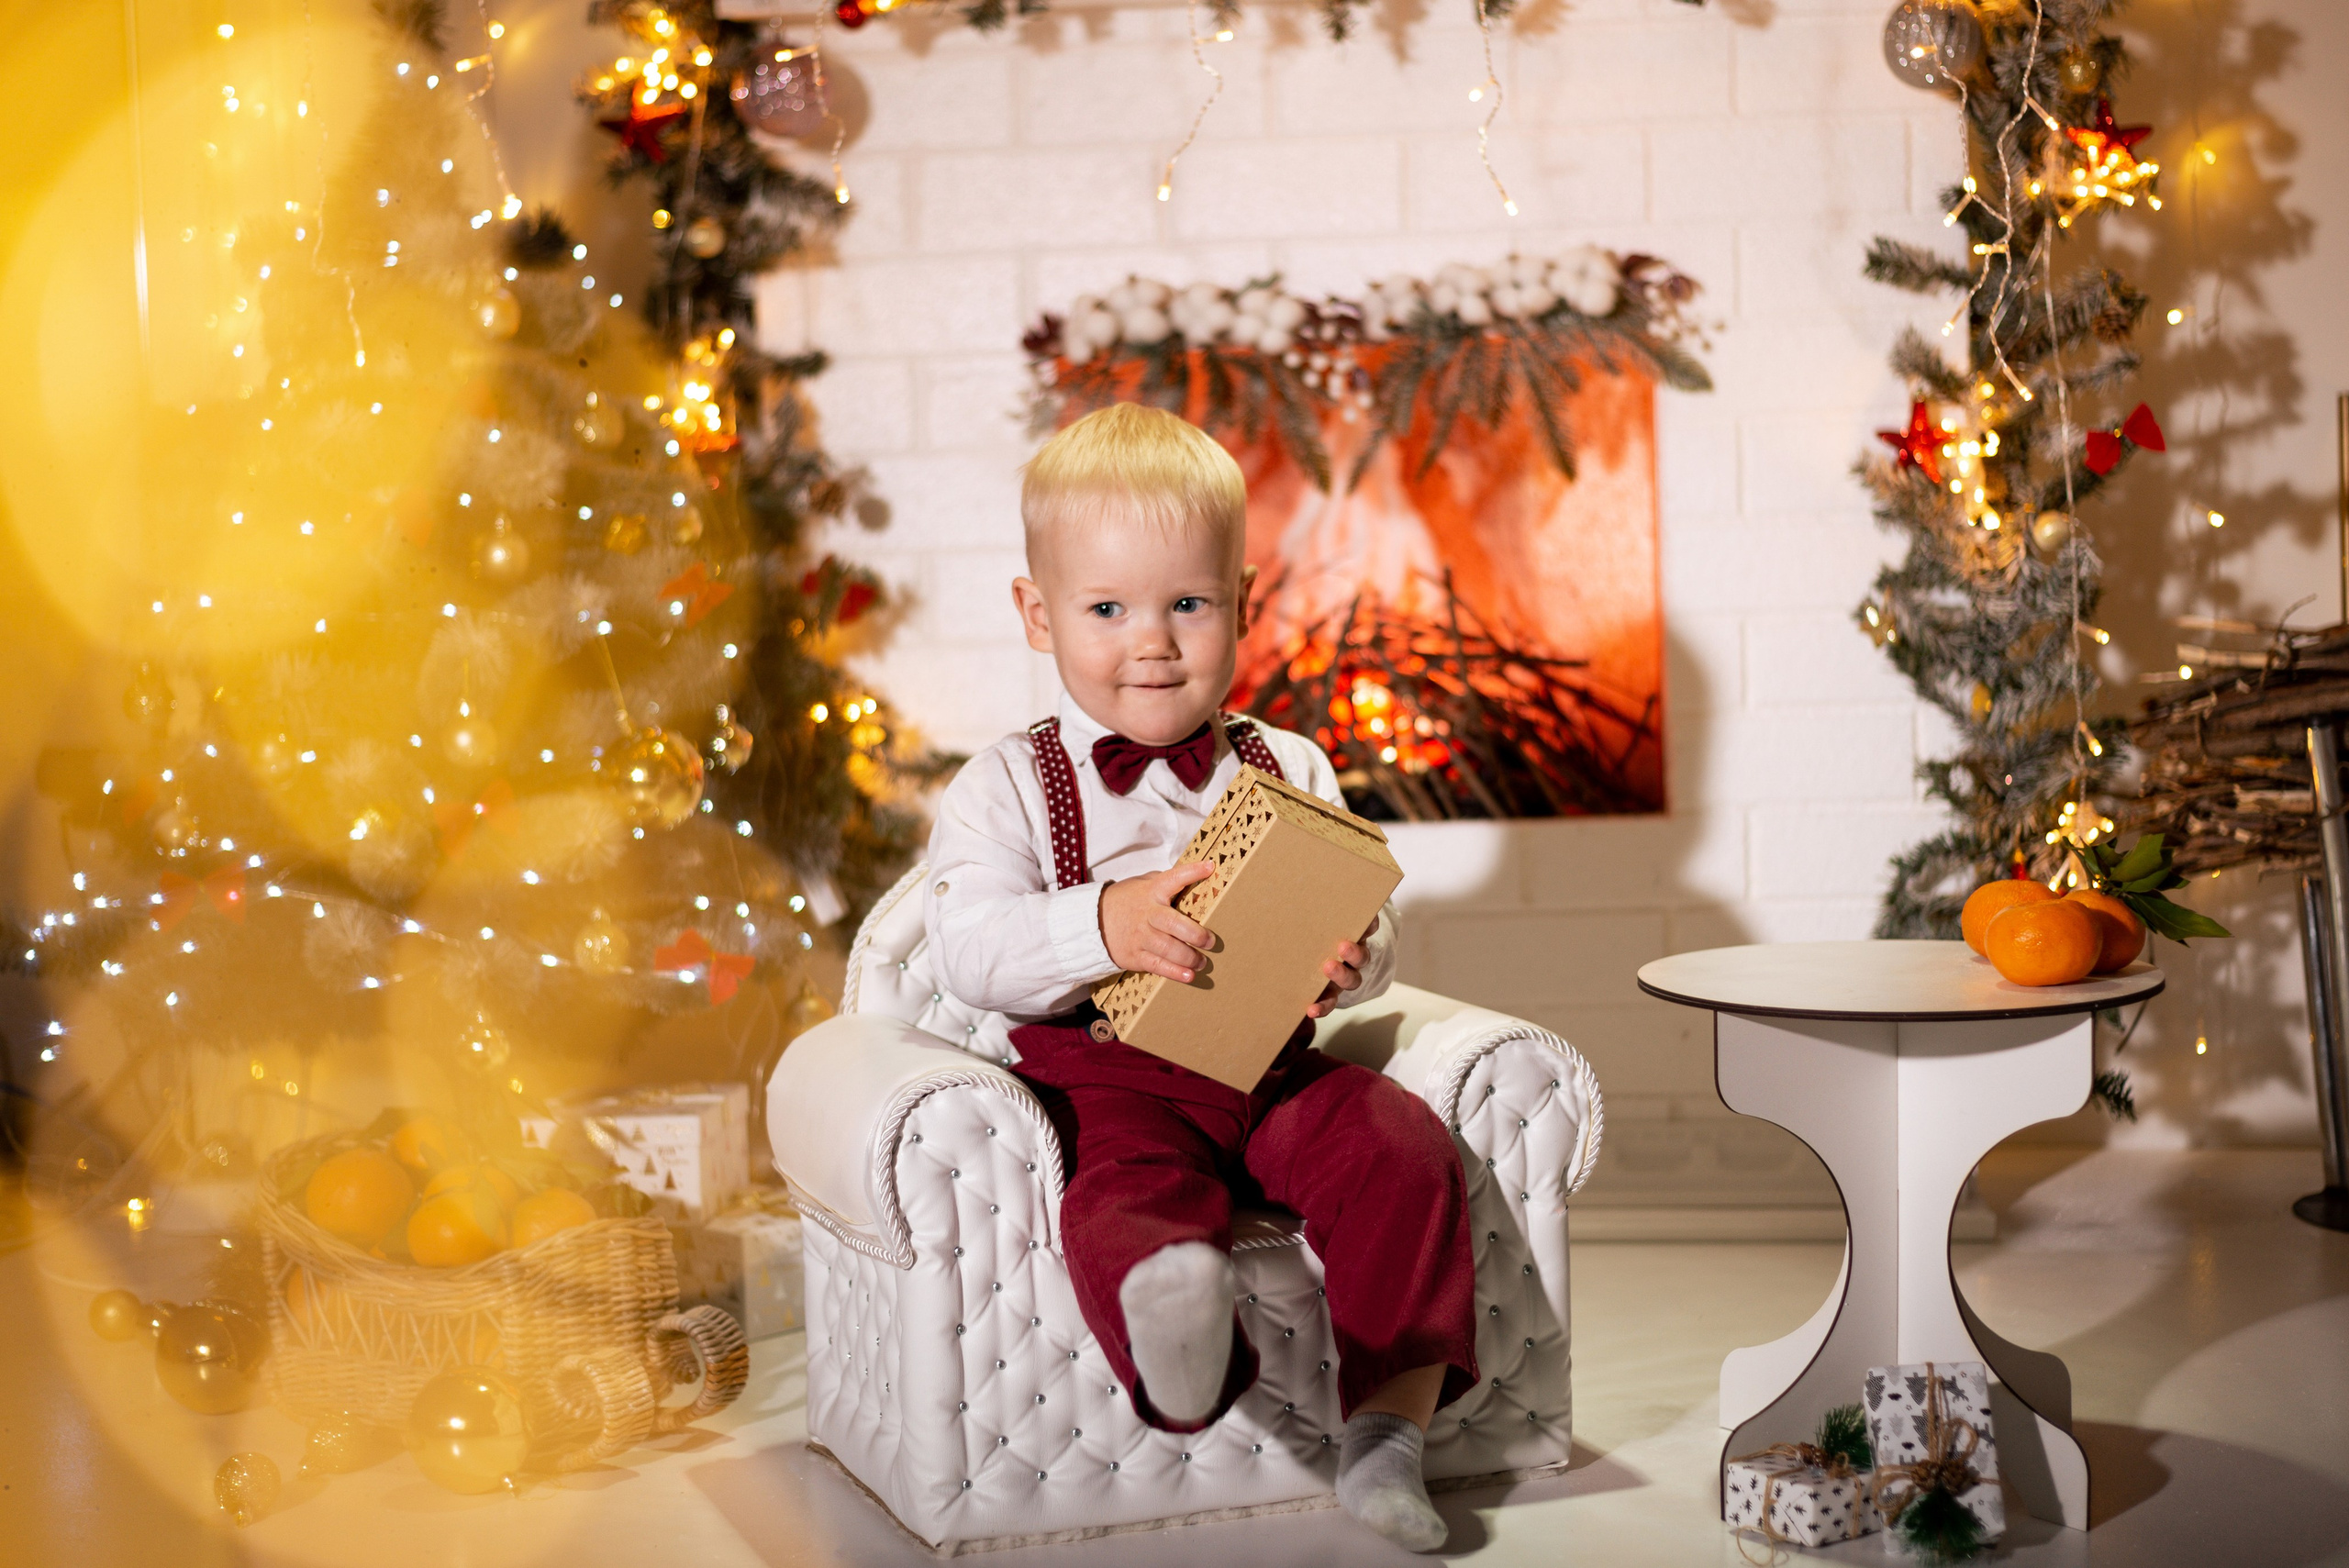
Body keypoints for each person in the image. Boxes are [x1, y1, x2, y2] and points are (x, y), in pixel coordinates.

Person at [922, 403, 1477, 1551]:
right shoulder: (1008, 786)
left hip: (1271, 1068)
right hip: (1114, 1084)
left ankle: (1387, 1436)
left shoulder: (1291, 761)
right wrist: (1105, 922)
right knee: (1124, 1199)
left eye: (1188, 603)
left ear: (1242, 602)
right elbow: (968, 949)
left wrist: (1348, 962)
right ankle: (1181, 1344)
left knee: (1398, 1142)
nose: (1153, 642)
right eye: (1107, 608)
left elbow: (1366, 915)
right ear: (1038, 614)